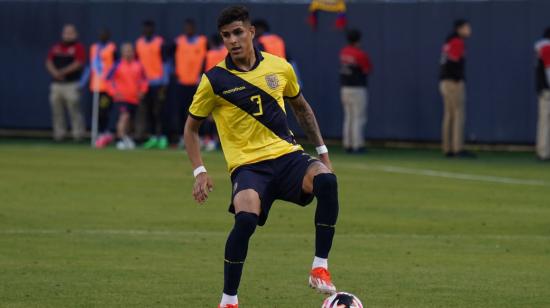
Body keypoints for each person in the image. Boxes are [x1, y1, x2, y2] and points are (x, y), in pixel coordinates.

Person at [183, 6, 340, 308]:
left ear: (252, 32)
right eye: (226, 36)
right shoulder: (214, 80)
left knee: (327, 182)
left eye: (238, 32)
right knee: (245, 220)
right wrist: (199, 171)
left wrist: (322, 153)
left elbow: (303, 109)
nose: (233, 40)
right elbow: (190, 129)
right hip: (248, 167)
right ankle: (229, 299)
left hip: (287, 156)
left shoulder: (280, 68)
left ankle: (319, 267)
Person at [96, 43, 148, 150]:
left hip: (134, 98)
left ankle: (126, 137)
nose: (129, 53)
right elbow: (108, 80)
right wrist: (114, 92)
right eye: (126, 51)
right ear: (122, 53)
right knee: (124, 117)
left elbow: (144, 81)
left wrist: (142, 91)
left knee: (130, 120)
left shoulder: (138, 65)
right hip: (121, 98)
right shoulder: (117, 65)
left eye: (130, 51)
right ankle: (120, 139)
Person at [439, 19, 475, 158]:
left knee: (449, 115)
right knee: (458, 114)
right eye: (467, 27)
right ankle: (457, 148)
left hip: (444, 81)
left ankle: (448, 148)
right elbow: (453, 62)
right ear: (460, 29)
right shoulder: (457, 42)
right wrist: (457, 79)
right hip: (453, 82)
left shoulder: (449, 41)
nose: (469, 30)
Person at [45, 24, 86, 142]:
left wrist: (62, 71)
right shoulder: (56, 47)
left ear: (75, 34)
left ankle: (78, 135)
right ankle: (59, 134)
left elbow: (79, 63)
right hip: (56, 84)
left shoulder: (78, 47)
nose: (68, 35)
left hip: (71, 84)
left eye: (70, 33)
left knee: (74, 109)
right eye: (66, 33)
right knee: (56, 110)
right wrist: (55, 73)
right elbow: (48, 61)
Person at [135, 20, 170, 149]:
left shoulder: (160, 42)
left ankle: (162, 137)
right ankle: (153, 137)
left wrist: (164, 83)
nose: (147, 30)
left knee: (159, 111)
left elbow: (166, 62)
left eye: (149, 28)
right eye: (145, 28)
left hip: (158, 82)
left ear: (153, 29)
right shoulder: (139, 43)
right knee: (148, 111)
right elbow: (137, 63)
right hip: (145, 84)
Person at [174, 19, 207, 146]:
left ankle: (200, 137)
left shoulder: (202, 41)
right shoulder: (179, 41)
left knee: (199, 111)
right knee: (183, 111)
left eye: (190, 27)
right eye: (186, 27)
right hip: (182, 82)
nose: (188, 30)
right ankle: (185, 138)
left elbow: (207, 59)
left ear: (194, 28)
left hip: (196, 83)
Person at [339, 29, 372, 153]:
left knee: (348, 117)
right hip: (357, 88)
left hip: (345, 88)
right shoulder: (360, 54)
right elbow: (367, 69)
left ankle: (347, 144)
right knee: (359, 117)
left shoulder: (344, 52)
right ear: (358, 39)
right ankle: (358, 145)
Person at [88, 28, 117, 133]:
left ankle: (105, 131)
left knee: (104, 110)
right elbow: (91, 65)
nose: (102, 36)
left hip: (107, 87)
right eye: (100, 34)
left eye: (104, 34)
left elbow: (116, 65)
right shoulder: (94, 48)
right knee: (94, 112)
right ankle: (99, 132)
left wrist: (109, 75)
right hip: (95, 85)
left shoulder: (112, 48)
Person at [535, 27, 550, 161]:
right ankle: (543, 152)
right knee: (545, 121)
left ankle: (544, 151)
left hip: (543, 88)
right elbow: (548, 70)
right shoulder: (546, 48)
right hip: (547, 90)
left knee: (544, 121)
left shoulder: (541, 47)